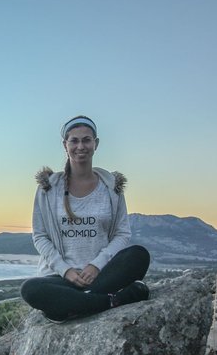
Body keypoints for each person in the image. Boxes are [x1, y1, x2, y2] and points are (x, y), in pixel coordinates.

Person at [20, 115, 150, 322]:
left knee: (139, 255)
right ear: (65, 145)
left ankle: (71, 306)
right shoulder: (48, 189)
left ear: (95, 144)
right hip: (61, 278)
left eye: (86, 140)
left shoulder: (111, 187)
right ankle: (113, 301)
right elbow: (40, 235)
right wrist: (66, 271)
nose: (81, 146)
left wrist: (96, 265)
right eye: (74, 140)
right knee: (30, 289)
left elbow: (122, 233)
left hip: (102, 275)